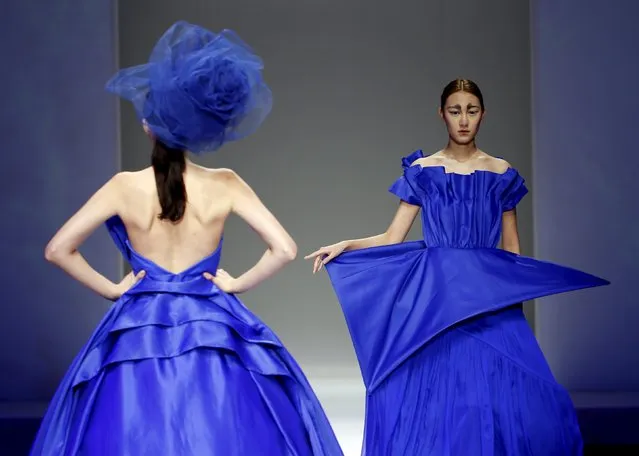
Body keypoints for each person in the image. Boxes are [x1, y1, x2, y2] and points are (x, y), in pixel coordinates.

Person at [31, 21, 343, 456]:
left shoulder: (123, 186)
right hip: (214, 323)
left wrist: (113, 289)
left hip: (137, 325)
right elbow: (285, 249)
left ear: (147, 126)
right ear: (196, 126)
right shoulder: (226, 183)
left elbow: (56, 249)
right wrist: (236, 284)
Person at [305, 78, 609, 455]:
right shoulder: (423, 170)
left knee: (501, 398)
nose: (463, 120)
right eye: (455, 111)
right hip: (438, 302)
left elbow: (512, 253)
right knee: (438, 398)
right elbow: (390, 238)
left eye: (472, 110)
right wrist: (345, 245)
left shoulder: (501, 174)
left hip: (487, 301)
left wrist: (513, 306)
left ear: (483, 115)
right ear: (441, 115)